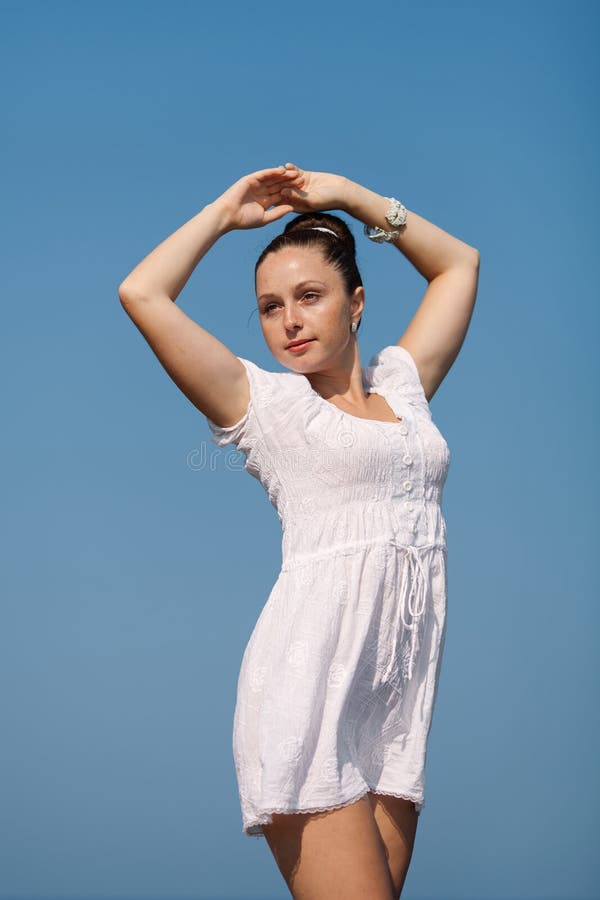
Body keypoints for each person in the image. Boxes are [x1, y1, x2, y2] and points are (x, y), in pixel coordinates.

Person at [118, 163, 480, 900]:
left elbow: (458, 265)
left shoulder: (404, 390)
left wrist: (349, 195)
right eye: (270, 305)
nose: (289, 320)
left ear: (356, 303)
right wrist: (224, 212)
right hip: (309, 693)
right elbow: (141, 292)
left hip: (395, 705)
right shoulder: (272, 410)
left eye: (310, 297)